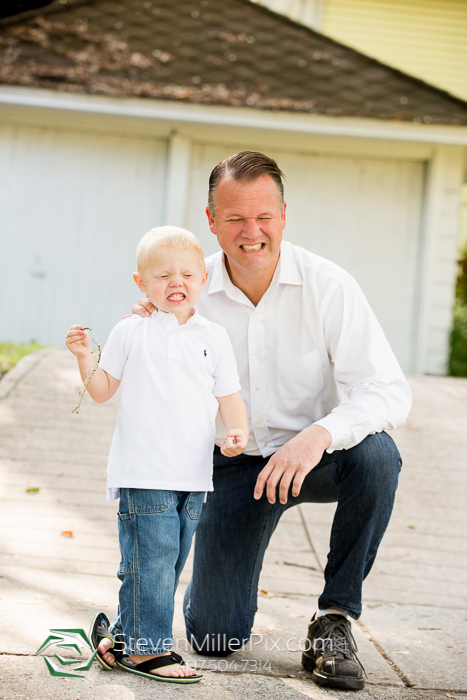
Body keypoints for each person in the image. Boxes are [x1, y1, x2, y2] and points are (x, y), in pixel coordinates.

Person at [101, 151, 412, 691]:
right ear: (211, 221)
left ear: (284, 217)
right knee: (215, 638)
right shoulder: (182, 293)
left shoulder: (329, 286)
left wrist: (318, 435)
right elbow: (135, 374)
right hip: (230, 470)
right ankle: (182, 621)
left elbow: (387, 390)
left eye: (264, 216)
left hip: (311, 459)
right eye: (235, 218)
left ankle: (335, 618)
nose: (252, 232)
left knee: (378, 456)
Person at [65, 226, 249, 684]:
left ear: (203, 281)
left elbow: (228, 395)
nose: (176, 282)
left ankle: (122, 639)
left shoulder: (214, 336)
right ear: (140, 282)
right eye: (163, 274)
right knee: (152, 559)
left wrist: (238, 431)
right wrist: (86, 357)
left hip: (193, 474)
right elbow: (104, 390)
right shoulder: (131, 330)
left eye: (187, 273)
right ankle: (148, 651)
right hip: (144, 469)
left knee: (168, 561)